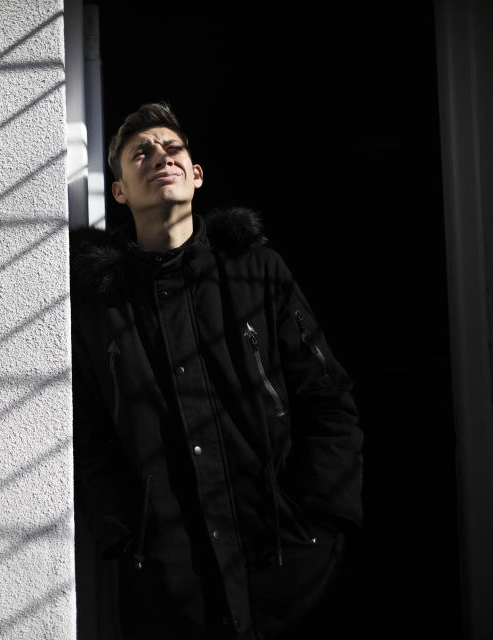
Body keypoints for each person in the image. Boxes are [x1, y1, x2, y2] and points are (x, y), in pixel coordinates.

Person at [69, 103, 363, 639]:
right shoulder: (103, 309)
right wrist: (126, 538)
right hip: (171, 583)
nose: (161, 156)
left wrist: (324, 521)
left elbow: (326, 396)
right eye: (142, 153)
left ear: (196, 175)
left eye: (172, 148)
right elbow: (88, 436)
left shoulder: (257, 271)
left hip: (287, 560)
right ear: (119, 191)